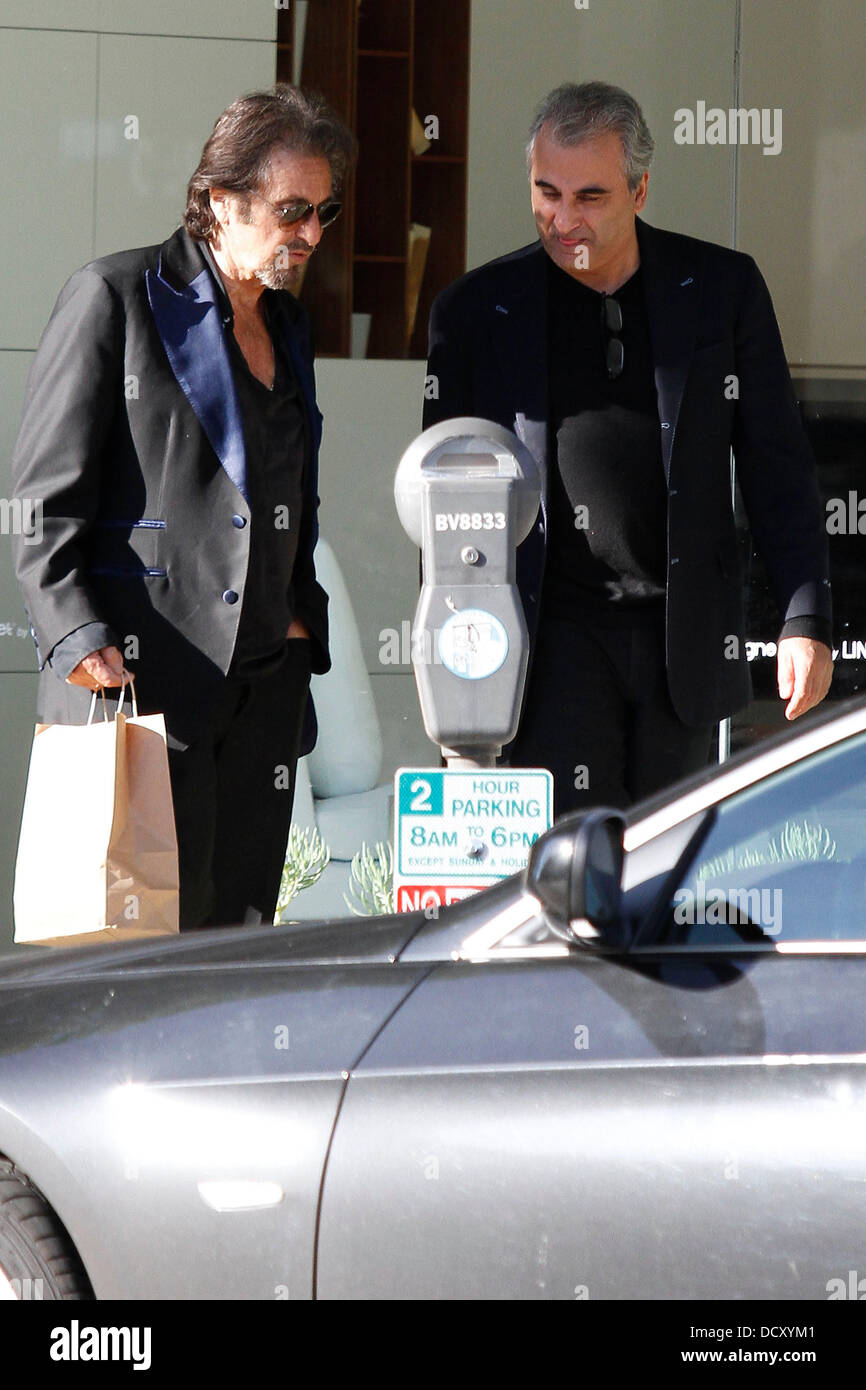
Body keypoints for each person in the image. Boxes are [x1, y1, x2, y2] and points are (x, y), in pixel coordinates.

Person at [423, 80, 832, 816]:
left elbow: (777, 464)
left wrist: (803, 619)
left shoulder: (721, 290)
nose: (563, 218)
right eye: (546, 192)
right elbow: (444, 506)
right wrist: (456, 675)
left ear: (641, 191)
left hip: (683, 637)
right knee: (572, 873)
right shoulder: (477, 313)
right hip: (548, 643)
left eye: (590, 197)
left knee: (670, 872)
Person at [12, 84, 355, 928]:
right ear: (217, 199)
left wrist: (300, 623)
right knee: (134, 956)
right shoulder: (116, 298)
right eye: (292, 209)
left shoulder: (289, 326)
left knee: (235, 953)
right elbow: (39, 503)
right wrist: (77, 640)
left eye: (326, 213)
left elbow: (288, 495)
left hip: (261, 698)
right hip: (140, 692)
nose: (310, 234)